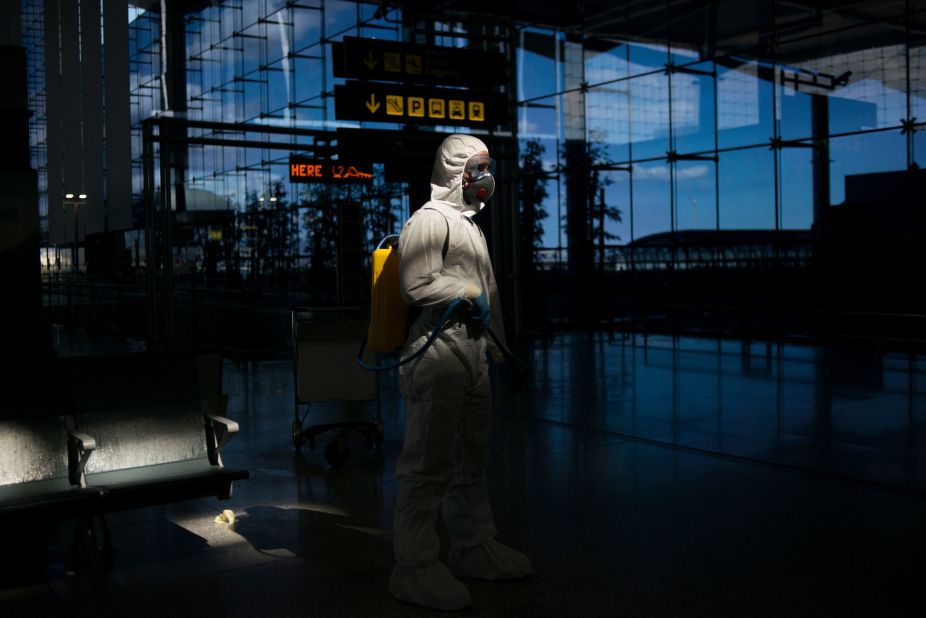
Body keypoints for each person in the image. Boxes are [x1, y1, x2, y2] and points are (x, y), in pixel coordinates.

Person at [389, 134, 532, 611]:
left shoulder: (470, 226)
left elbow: (488, 292)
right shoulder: (431, 220)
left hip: (470, 352)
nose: (484, 176)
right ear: (455, 173)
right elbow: (415, 283)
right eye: (477, 167)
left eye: (487, 166)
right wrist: (466, 291)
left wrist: (500, 352)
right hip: (436, 351)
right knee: (428, 465)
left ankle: (473, 547)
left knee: (471, 460)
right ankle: (413, 567)